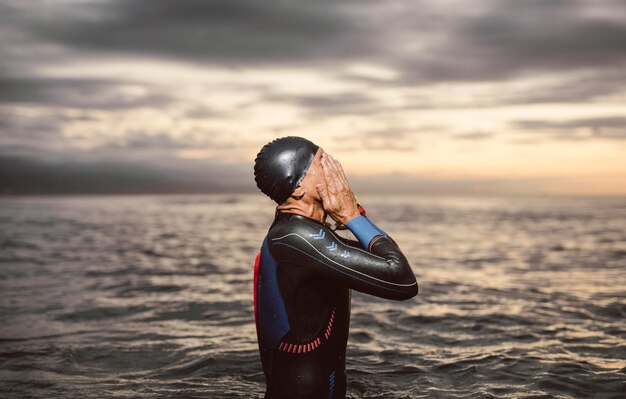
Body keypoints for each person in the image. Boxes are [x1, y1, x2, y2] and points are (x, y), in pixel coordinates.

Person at [253, 136, 418, 399]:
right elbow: (402, 280)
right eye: (323, 162)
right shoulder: (297, 239)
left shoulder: (298, 233)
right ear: (297, 187)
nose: (335, 169)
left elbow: (383, 260)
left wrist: (353, 214)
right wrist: (351, 216)